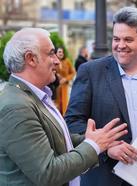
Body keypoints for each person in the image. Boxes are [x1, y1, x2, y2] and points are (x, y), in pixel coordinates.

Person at [65, 7, 137, 186]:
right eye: (116, 39)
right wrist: (105, 147)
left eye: (128, 39)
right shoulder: (91, 72)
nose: (120, 45)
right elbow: (73, 123)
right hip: (106, 177)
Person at [0, 27, 128, 186]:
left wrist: (98, 141)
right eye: (51, 53)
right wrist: (93, 145)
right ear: (30, 59)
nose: (57, 61)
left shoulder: (32, 96)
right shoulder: (16, 106)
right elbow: (48, 173)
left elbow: (56, 139)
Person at [55, 47, 76, 115]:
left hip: (65, 87)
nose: (61, 53)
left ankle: (65, 119)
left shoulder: (67, 61)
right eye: (59, 52)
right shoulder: (54, 62)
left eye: (62, 52)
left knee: (65, 103)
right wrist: (56, 75)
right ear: (56, 53)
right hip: (56, 86)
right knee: (57, 104)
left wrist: (66, 79)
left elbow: (73, 72)